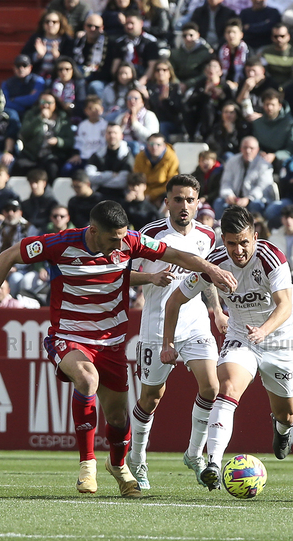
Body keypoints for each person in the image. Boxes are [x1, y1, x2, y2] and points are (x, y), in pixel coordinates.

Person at [0, 200, 237, 495]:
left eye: (123, 237)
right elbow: (7, 256)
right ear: (94, 231)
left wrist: (210, 267)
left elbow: (175, 254)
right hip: (70, 336)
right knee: (87, 379)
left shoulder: (130, 241)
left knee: (119, 419)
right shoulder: (59, 243)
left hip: (110, 343)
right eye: (113, 239)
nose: (119, 244)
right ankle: (87, 465)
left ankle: (118, 465)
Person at [163, 205, 293, 488]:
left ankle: (282, 429)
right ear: (222, 240)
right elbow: (174, 301)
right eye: (231, 243)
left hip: (277, 337)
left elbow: (285, 305)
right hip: (241, 336)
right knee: (226, 388)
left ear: (254, 235)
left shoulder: (271, 257)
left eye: (243, 242)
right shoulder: (214, 263)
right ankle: (214, 463)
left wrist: (264, 330)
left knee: (287, 413)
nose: (238, 250)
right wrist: (168, 342)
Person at [125, 175, 220, 489]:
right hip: (155, 327)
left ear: (197, 203)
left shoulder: (207, 236)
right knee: (151, 398)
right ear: (166, 202)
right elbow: (122, 274)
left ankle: (195, 454)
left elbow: (209, 277)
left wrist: (217, 309)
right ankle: (136, 459)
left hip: (195, 324)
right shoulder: (150, 234)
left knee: (211, 387)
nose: (184, 206)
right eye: (177, 199)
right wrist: (150, 280)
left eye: (189, 200)